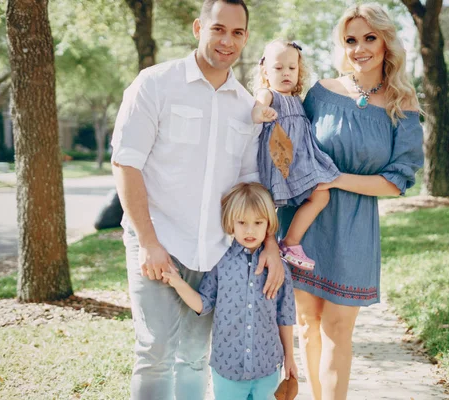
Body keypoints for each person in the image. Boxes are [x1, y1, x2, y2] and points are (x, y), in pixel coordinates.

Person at [110, 1, 285, 398]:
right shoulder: (154, 84)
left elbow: (249, 184)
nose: (227, 40)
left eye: (238, 33)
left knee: (192, 356)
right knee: (153, 352)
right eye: (218, 29)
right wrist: (150, 243)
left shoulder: (245, 106)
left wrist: (270, 243)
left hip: (213, 253)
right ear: (198, 27)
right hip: (156, 243)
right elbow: (126, 164)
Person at [276, 4, 424, 399]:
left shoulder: (403, 105)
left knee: (338, 328)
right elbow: (290, 144)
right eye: (351, 40)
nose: (360, 48)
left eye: (369, 38)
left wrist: (336, 178)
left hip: (356, 228)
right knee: (308, 323)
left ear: (387, 42)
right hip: (304, 222)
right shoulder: (321, 92)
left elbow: (396, 182)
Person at [162, 182, 298, 400]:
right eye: (242, 222)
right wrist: (178, 282)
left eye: (258, 222)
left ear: (268, 225)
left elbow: (286, 315)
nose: (250, 230)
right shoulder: (220, 263)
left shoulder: (278, 267)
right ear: (230, 223)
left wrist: (290, 356)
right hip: (227, 368)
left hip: (268, 366)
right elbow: (204, 304)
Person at [251, 40, 341, 271]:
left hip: (301, 162)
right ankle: (263, 249)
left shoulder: (298, 101)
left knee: (321, 196)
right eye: (278, 68)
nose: (286, 73)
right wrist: (262, 112)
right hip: (280, 161)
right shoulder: (269, 94)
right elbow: (257, 108)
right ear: (265, 71)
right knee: (269, 207)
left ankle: (290, 242)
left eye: (291, 68)